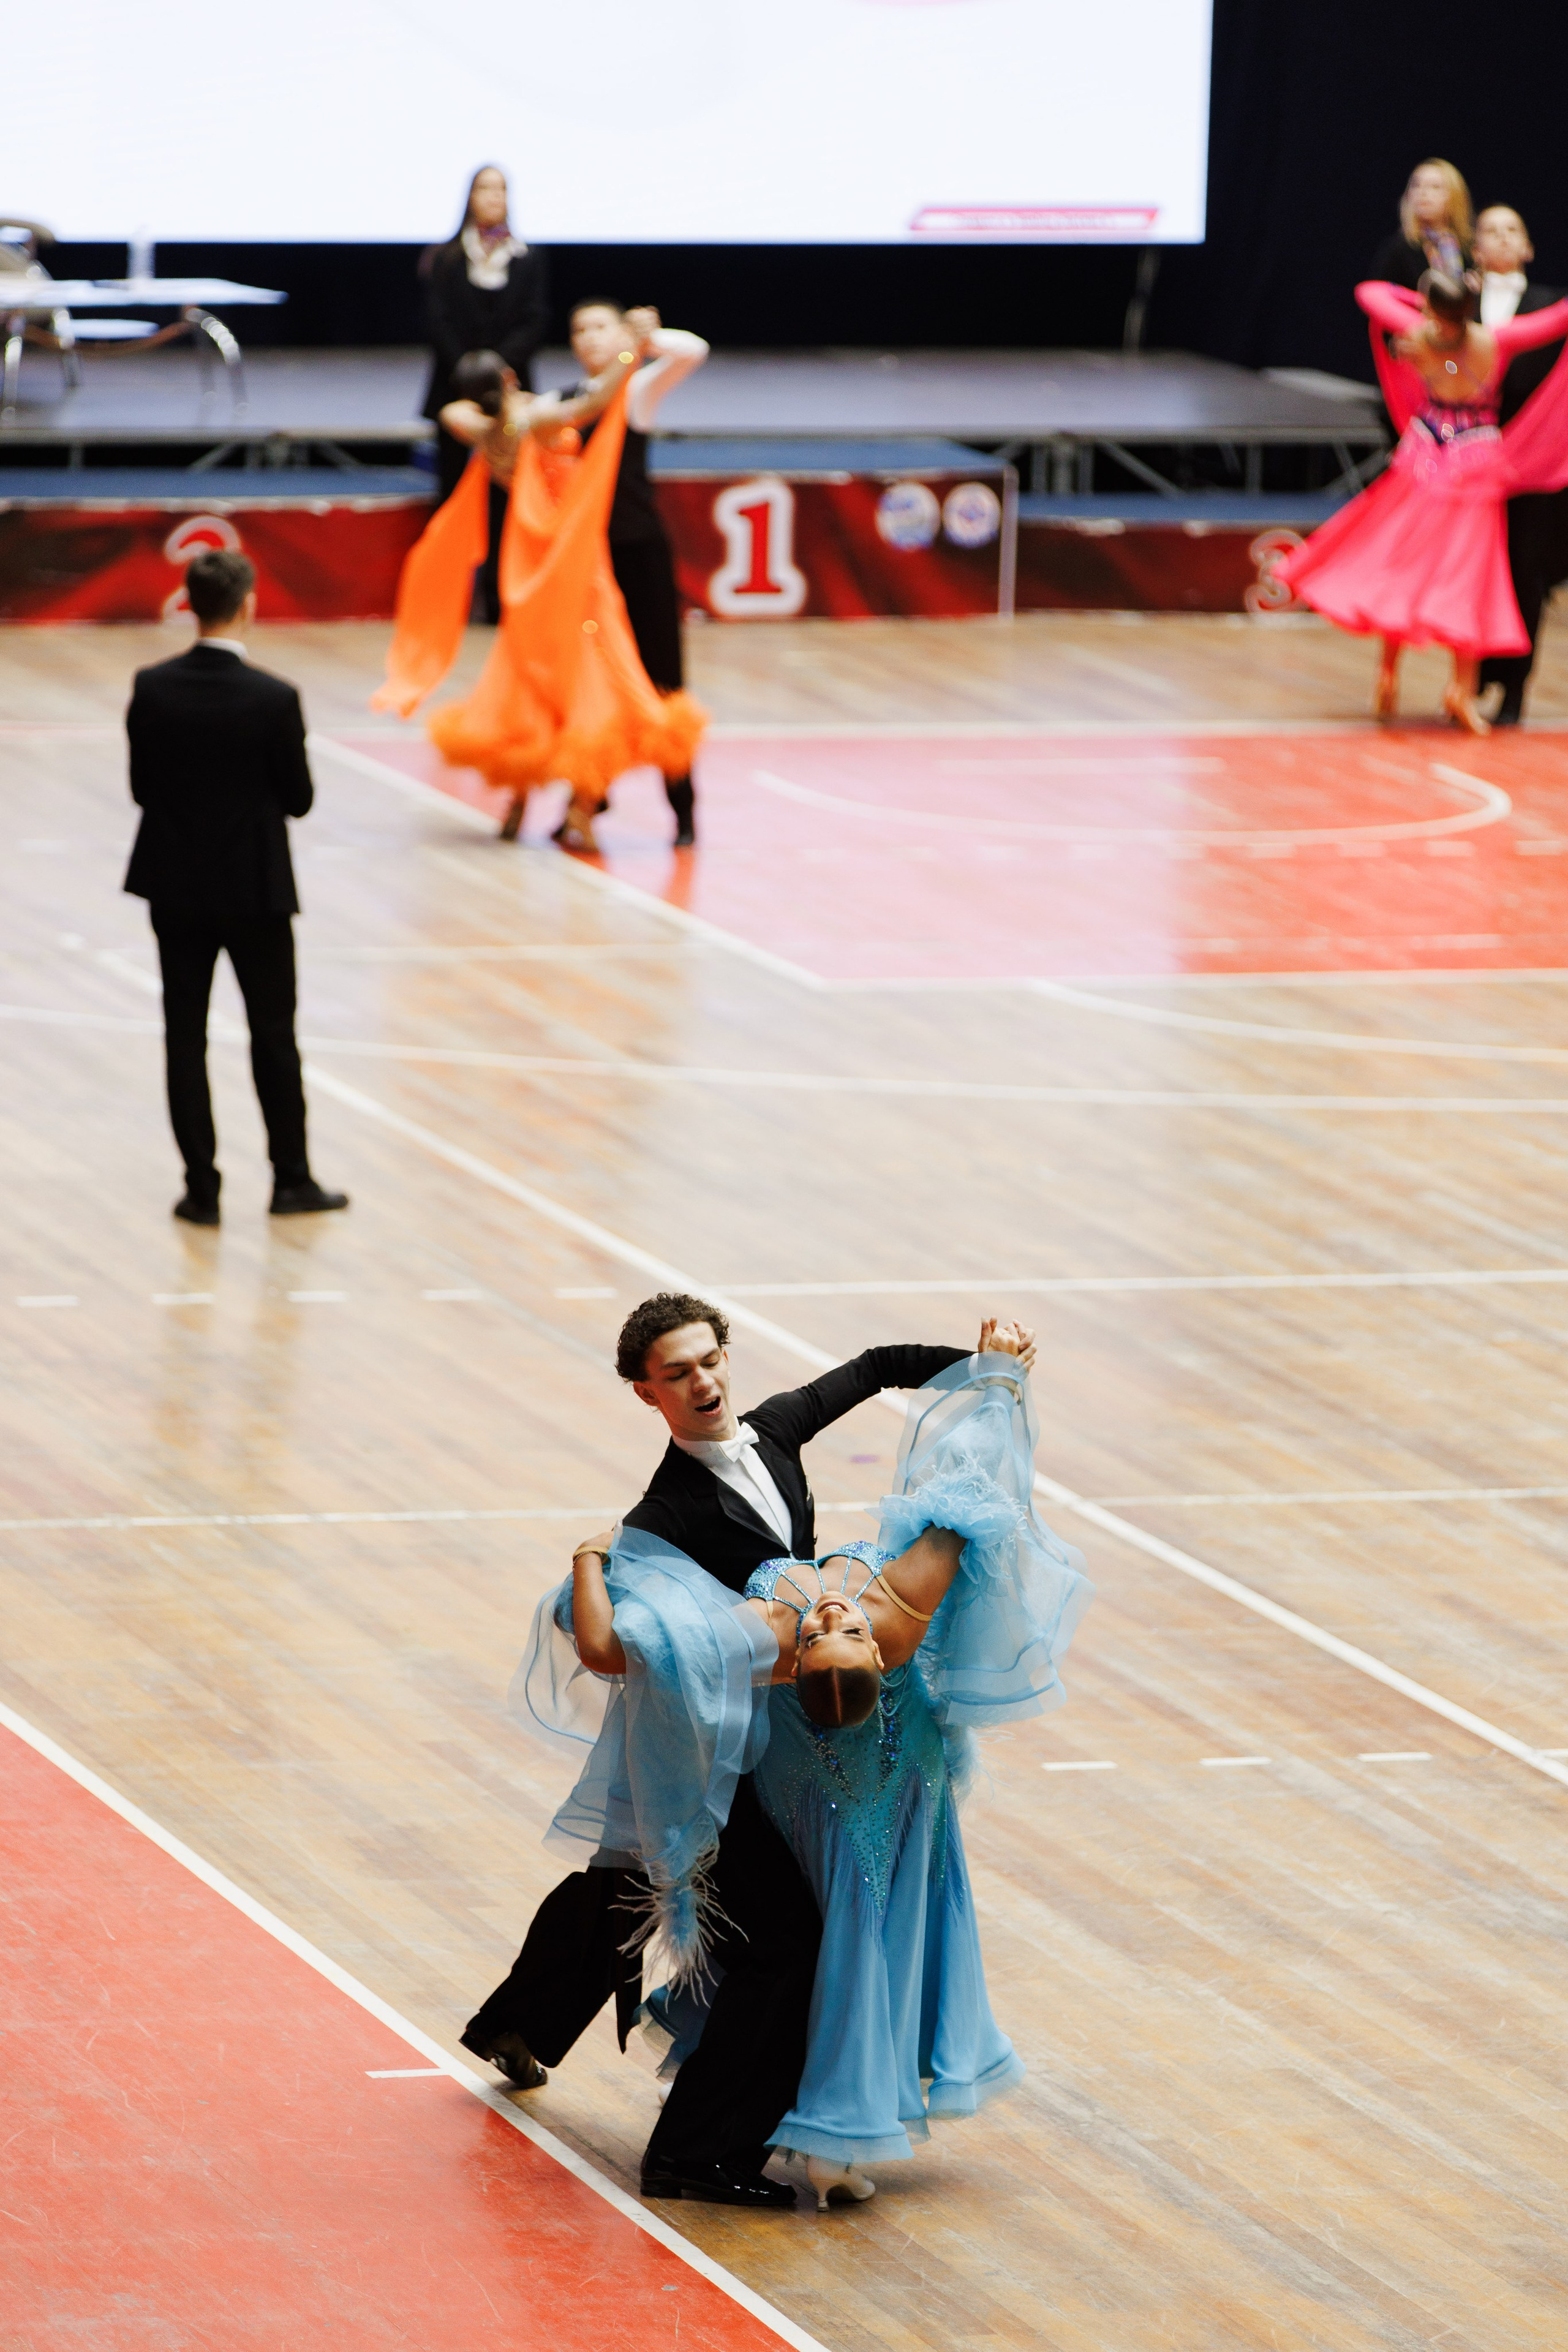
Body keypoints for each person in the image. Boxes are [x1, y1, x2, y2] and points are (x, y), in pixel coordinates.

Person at [462, 1294, 1017, 2208]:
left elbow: (877, 1363)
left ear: (727, 1358)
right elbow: (605, 1647)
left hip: (775, 1711)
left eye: (709, 1362)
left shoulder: (779, 1429)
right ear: (649, 1396)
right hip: (723, 1725)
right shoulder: (663, 1514)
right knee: (752, 1927)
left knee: (636, 1872)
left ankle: (516, 2022)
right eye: (676, 1375)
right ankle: (692, 2150)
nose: (701, 1383)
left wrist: (989, 1367)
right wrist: (590, 1561)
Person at [374, 358, 706, 850]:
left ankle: (519, 802)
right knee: (592, 677)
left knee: (528, 675)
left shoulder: (484, 428)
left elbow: (454, 413)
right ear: (510, 377)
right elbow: (593, 404)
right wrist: (627, 357)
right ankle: (581, 808)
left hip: (528, 567)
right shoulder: (537, 420)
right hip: (571, 563)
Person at [124, 549, 347, 1226]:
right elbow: (300, 800)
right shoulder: (274, 698)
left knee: (184, 1037)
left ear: (188, 604)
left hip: (176, 887)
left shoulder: (152, 687)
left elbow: (141, 789)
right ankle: (291, 1181)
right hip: (255, 889)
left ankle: (201, 1189)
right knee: (273, 1035)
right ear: (247, 604)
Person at [1277, 270, 1568, 732]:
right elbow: (1559, 317)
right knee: (1470, 574)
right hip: (1474, 462)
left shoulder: (1417, 335)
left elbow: (1367, 291)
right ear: (1470, 307)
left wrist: (1414, 299)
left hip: (1423, 456)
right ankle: (1460, 688)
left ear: (1434, 309)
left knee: (1403, 561)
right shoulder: (1497, 341)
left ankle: (1388, 672)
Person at [562, 301, 709, 848]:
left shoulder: (636, 393)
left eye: (602, 327)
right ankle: (588, 799)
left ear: (620, 332)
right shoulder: (570, 403)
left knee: (663, 680)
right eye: (581, 330)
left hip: (640, 557)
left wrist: (648, 339)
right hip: (589, 564)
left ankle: (683, 808)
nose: (591, 338)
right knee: (591, 686)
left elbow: (693, 352)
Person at [1471, 206, 1568, 725]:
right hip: (1468, 460)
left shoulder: (1553, 306)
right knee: (1471, 571)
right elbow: (1447, 365)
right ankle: (1471, 681)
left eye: (1513, 230)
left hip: (1531, 467)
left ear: (1528, 248)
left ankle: (1514, 690)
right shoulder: (1458, 309)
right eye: (1491, 230)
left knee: (1525, 574)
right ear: (1477, 248)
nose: (1503, 239)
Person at [421, 167, 548, 510]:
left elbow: (534, 319)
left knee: (506, 486)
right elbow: (438, 319)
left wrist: (496, 368)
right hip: (454, 382)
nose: (494, 196)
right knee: (452, 485)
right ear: (471, 197)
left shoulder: (527, 257)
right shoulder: (445, 257)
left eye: (501, 189)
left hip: (509, 385)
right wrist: (469, 368)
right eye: (485, 188)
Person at [1373, 159, 1474, 290]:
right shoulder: (1398, 249)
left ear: (1455, 195)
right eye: (1416, 185)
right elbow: (1377, 296)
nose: (1423, 193)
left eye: (1435, 187)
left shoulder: (1470, 249)